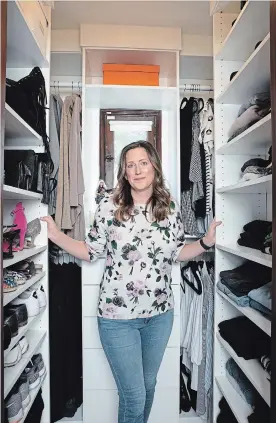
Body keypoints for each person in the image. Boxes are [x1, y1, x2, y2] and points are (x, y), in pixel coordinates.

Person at [41, 140, 221, 423]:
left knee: (148, 388)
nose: (137, 170)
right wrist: (55, 236)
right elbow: (91, 251)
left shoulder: (170, 207)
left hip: (160, 316)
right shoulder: (108, 205)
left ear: (154, 167)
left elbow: (177, 253)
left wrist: (205, 242)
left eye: (143, 163)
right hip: (117, 318)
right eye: (130, 165)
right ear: (124, 172)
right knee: (134, 395)